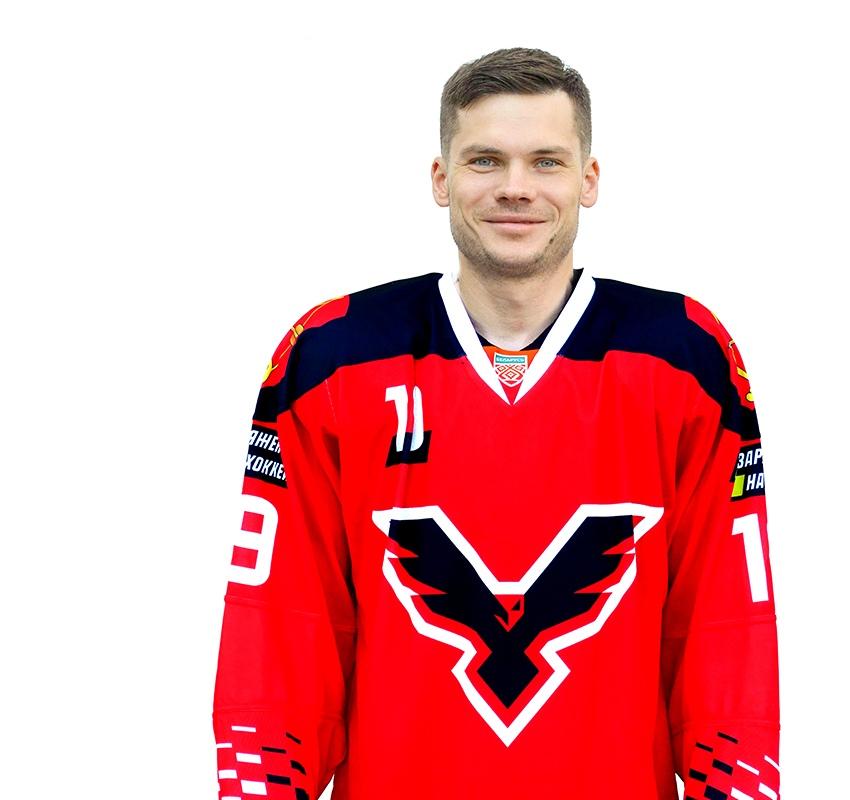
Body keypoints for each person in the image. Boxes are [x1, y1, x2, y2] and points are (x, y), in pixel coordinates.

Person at [212, 47, 780, 800]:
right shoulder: (332, 356)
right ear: (441, 179)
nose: (516, 187)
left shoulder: (684, 358)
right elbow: (281, 626)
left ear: (589, 179)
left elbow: (726, 630)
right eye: (485, 161)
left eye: (546, 161)